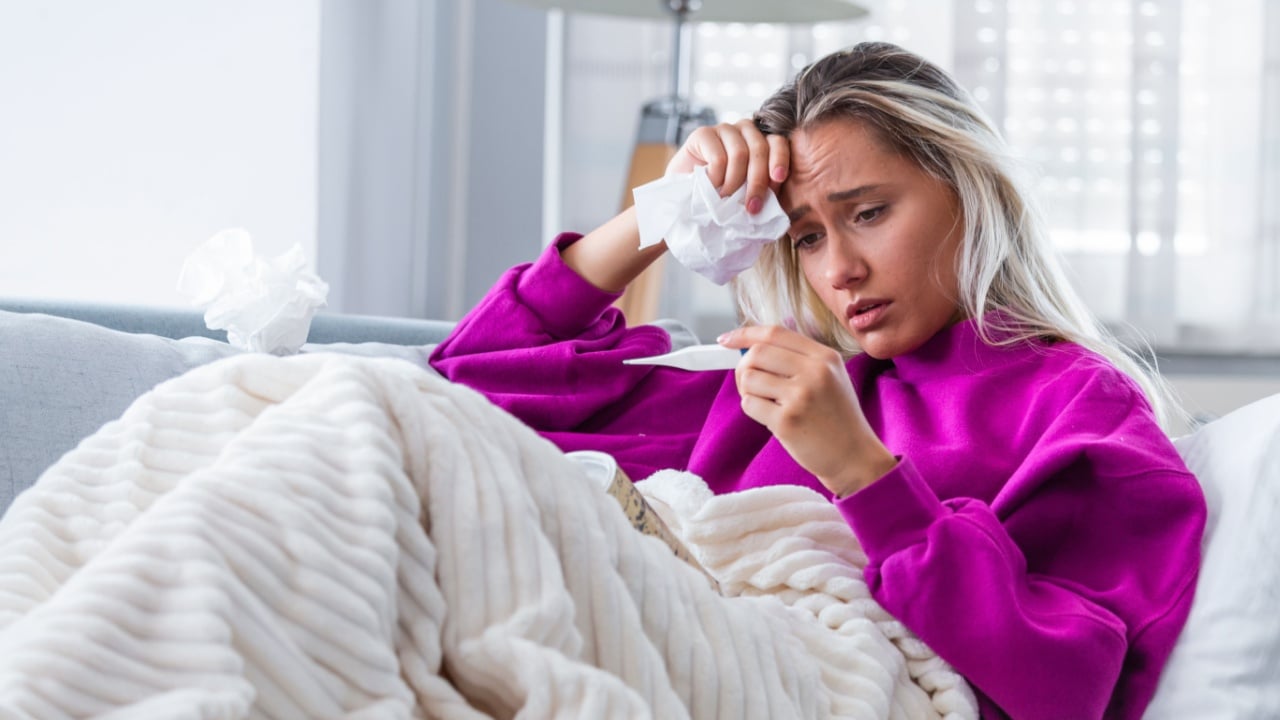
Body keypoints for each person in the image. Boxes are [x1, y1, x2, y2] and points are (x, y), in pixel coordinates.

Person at [430, 42, 1206, 720]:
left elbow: (1068, 687)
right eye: (806, 237)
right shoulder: (777, 386)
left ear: (969, 191)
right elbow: (467, 388)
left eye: (868, 213)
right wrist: (661, 212)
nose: (839, 270)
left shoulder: (1076, 405)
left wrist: (861, 472)